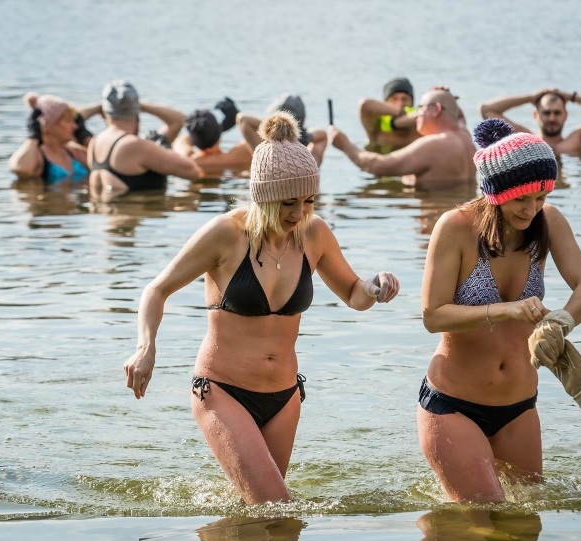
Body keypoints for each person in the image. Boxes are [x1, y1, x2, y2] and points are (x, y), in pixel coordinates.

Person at [123, 111, 400, 504]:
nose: (299, 213)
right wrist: (145, 347)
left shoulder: (314, 233)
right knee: (274, 507)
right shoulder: (225, 234)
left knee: (266, 526)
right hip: (223, 391)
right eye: (288, 202)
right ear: (263, 195)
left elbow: (354, 295)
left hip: (284, 396)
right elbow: (156, 289)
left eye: (308, 200)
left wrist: (375, 286)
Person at [418, 118, 581, 502]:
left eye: (541, 197)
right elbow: (433, 315)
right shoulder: (454, 227)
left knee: (523, 533)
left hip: (519, 407)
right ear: (494, 193)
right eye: (521, 199)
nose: (532, 209)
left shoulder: (548, 222)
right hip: (454, 406)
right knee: (485, 518)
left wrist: (560, 322)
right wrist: (506, 310)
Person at [329, 87, 476, 187]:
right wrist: (445, 96)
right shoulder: (465, 136)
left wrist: (345, 144)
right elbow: (457, 114)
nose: (417, 114)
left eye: (420, 108)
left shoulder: (433, 145)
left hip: (434, 219)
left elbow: (377, 165)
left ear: (436, 110)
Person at [88, 79, 202, 202]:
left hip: (106, 218)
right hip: (132, 218)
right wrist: (142, 106)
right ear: (136, 110)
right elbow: (192, 171)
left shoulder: (95, 142)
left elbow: (180, 121)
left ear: (104, 112)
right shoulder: (134, 145)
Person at [478, 88, 581, 154]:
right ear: (536, 115)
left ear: (566, 115)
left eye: (557, 113)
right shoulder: (523, 139)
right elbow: (486, 109)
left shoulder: (579, 140)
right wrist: (530, 97)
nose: (552, 118)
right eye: (546, 113)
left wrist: (571, 97)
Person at [8, 92, 90, 184]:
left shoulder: (73, 152)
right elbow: (20, 168)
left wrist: (84, 134)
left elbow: (102, 161)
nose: (75, 126)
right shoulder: (38, 155)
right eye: (68, 121)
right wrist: (33, 136)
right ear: (49, 125)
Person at [237, 94, 328, 166]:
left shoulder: (265, 158)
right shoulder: (307, 163)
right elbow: (323, 135)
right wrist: (304, 136)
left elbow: (243, 119)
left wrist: (270, 125)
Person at [173, 98, 254, 174]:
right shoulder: (239, 155)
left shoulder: (189, 160)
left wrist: (216, 129)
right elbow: (260, 135)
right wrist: (236, 117)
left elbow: (181, 140)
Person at [358, 76, 421, 151]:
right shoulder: (377, 129)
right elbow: (365, 104)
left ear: (412, 103)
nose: (400, 104)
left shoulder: (421, 127)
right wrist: (399, 114)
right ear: (384, 104)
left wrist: (394, 123)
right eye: (394, 99)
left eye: (405, 99)